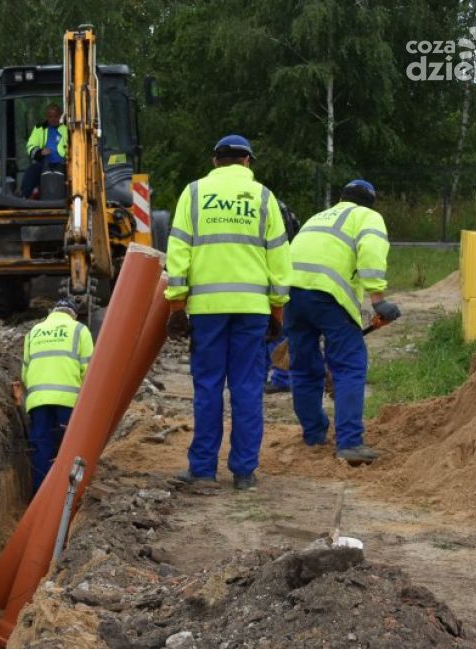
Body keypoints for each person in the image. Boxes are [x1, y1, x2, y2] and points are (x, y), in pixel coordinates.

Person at [165, 134, 292, 491]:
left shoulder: (193, 194)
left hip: (207, 310)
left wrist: (177, 304)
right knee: (248, 388)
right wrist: (277, 310)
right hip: (252, 310)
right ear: (247, 162)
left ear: (214, 160)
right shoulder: (264, 198)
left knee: (208, 387)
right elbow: (280, 257)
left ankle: (203, 470)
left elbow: (178, 252)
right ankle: (244, 473)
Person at [284, 179, 401, 464]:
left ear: (342, 198)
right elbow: (372, 253)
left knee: (303, 368)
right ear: (371, 202)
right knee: (349, 366)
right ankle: (349, 442)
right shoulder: (368, 217)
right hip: (329, 296)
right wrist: (378, 300)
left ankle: (313, 434)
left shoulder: (318, 216)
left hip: (292, 295)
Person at [21, 298, 93, 492]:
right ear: (73, 314)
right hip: (68, 401)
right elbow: (89, 370)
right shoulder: (79, 330)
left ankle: (40, 494)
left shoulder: (33, 332)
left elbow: (25, 373)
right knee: (70, 447)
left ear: (52, 312)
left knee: (42, 446)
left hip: (38, 401)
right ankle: (66, 494)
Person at [264, 200, 301, 394]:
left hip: (270, 275)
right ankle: (278, 376)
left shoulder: (271, 207)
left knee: (275, 330)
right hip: (281, 274)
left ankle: (280, 376)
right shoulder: (275, 205)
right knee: (274, 329)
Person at [21, 104, 68, 198]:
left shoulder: (68, 128)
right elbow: (30, 146)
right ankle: (23, 197)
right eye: (50, 116)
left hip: (65, 164)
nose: (53, 119)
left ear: (60, 116)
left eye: (55, 116)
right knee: (32, 171)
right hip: (45, 164)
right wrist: (40, 152)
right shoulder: (40, 129)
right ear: (47, 117)